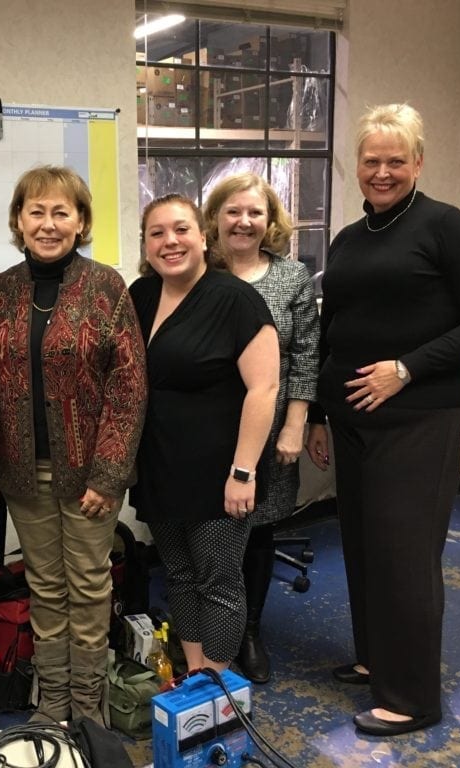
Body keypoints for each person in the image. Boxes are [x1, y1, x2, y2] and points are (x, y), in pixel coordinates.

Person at [305, 103, 460, 736]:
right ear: (358, 167)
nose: (384, 171)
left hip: (420, 414)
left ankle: (414, 698)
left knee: (404, 555)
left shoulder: (444, 226)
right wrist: (316, 409)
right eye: (372, 161)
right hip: (351, 417)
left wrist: (408, 368)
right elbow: (330, 328)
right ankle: (376, 661)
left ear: (418, 162)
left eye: (397, 160)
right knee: (365, 550)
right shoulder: (347, 238)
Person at [0, 166, 147, 725]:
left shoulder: (106, 289)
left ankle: (89, 708)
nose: (48, 224)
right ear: (18, 221)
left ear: (80, 222)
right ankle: (51, 705)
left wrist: (109, 474)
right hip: (24, 472)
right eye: (36, 212)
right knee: (45, 587)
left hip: (89, 474)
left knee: (90, 587)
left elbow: (128, 388)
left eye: (61, 212)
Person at [130, 193, 279, 675]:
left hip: (220, 471)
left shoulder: (235, 299)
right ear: (146, 244)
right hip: (160, 467)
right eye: (157, 233)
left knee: (217, 580)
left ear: (201, 237)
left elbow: (264, 388)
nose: (169, 242)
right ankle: (195, 674)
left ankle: (217, 683)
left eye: (180, 230)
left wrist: (243, 471)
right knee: (178, 574)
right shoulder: (142, 295)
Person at [203, 172, 319, 683]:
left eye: (255, 212)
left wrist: (295, 424)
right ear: (215, 219)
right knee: (208, 528)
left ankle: (248, 630)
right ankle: (208, 623)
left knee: (255, 529)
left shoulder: (291, 279)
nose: (243, 222)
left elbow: (305, 358)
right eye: (233, 211)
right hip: (204, 431)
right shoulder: (196, 270)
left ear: (270, 221)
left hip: (269, 434)